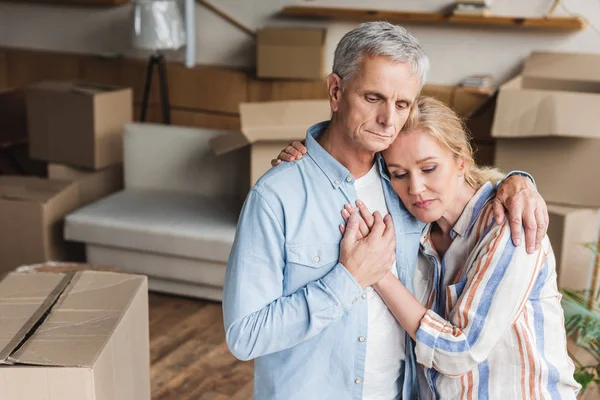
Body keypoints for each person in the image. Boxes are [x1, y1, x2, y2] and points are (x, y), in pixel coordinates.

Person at [223, 21, 549, 400]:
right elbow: (244, 336)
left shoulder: (404, 187)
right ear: (335, 91)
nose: (388, 120)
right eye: (373, 98)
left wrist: (519, 181)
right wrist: (350, 277)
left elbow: (459, 175)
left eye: (402, 104)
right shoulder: (277, 196)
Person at [278, 97, 580, 398]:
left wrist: (377, 270)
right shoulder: (414, 232)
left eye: (429, 168)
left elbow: (457, 352)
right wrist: (308, 168)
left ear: (460, 160)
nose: (416, 188)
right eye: (399, 174)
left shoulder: (510, 225)